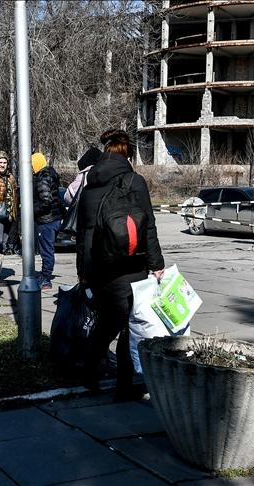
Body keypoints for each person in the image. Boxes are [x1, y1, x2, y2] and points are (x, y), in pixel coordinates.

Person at [75, 129, 164, 402]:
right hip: (129, 266)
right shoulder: (134, 181)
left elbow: (82, 234)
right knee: (129, 326)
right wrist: (156, 264)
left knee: (106, 323)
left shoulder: (89, 185)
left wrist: (84, 273)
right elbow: (147, 224)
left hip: (98, 268)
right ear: (127, 153)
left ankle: (89, 373)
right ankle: (124, 387)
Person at [31, 152, 65, 290]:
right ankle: (45, 275)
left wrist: (31, 211)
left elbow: (46, 200)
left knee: (46, 251)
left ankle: (45, 279)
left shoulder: (43, 178)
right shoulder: (51, 175)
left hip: (47, 220)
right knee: (48, 249)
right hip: (55, 218)